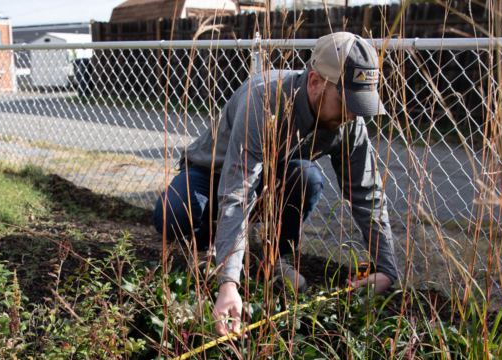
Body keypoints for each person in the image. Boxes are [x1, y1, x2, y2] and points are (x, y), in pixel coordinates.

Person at [153, 32, 400, 336]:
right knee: (172, 211)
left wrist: (388, 268)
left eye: (360, 103)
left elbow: (366, 193)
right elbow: (237, 193)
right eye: (347, 101)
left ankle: (272, 257)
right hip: (213, 172)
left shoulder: (351, 122)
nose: (353, 114)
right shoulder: (265, 99)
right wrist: (229, 284)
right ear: (314, 82)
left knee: (307, 178)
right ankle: (209, 254)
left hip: (269, 178)